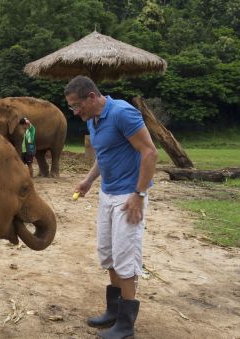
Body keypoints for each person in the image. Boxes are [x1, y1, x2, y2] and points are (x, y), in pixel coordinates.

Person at [64, 75, 158, 339]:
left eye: (76, 105)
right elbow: (104, 155)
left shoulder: (122, 113)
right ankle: (114, 311)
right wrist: (88, 180)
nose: (74, 111)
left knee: (126, 257)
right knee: (109, 253)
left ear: (91, 97)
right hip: (108, 194)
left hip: (128, 196)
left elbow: (149, 152)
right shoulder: (93, 119)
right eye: (72, 107)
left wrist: (139, 194)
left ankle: (126, 326)